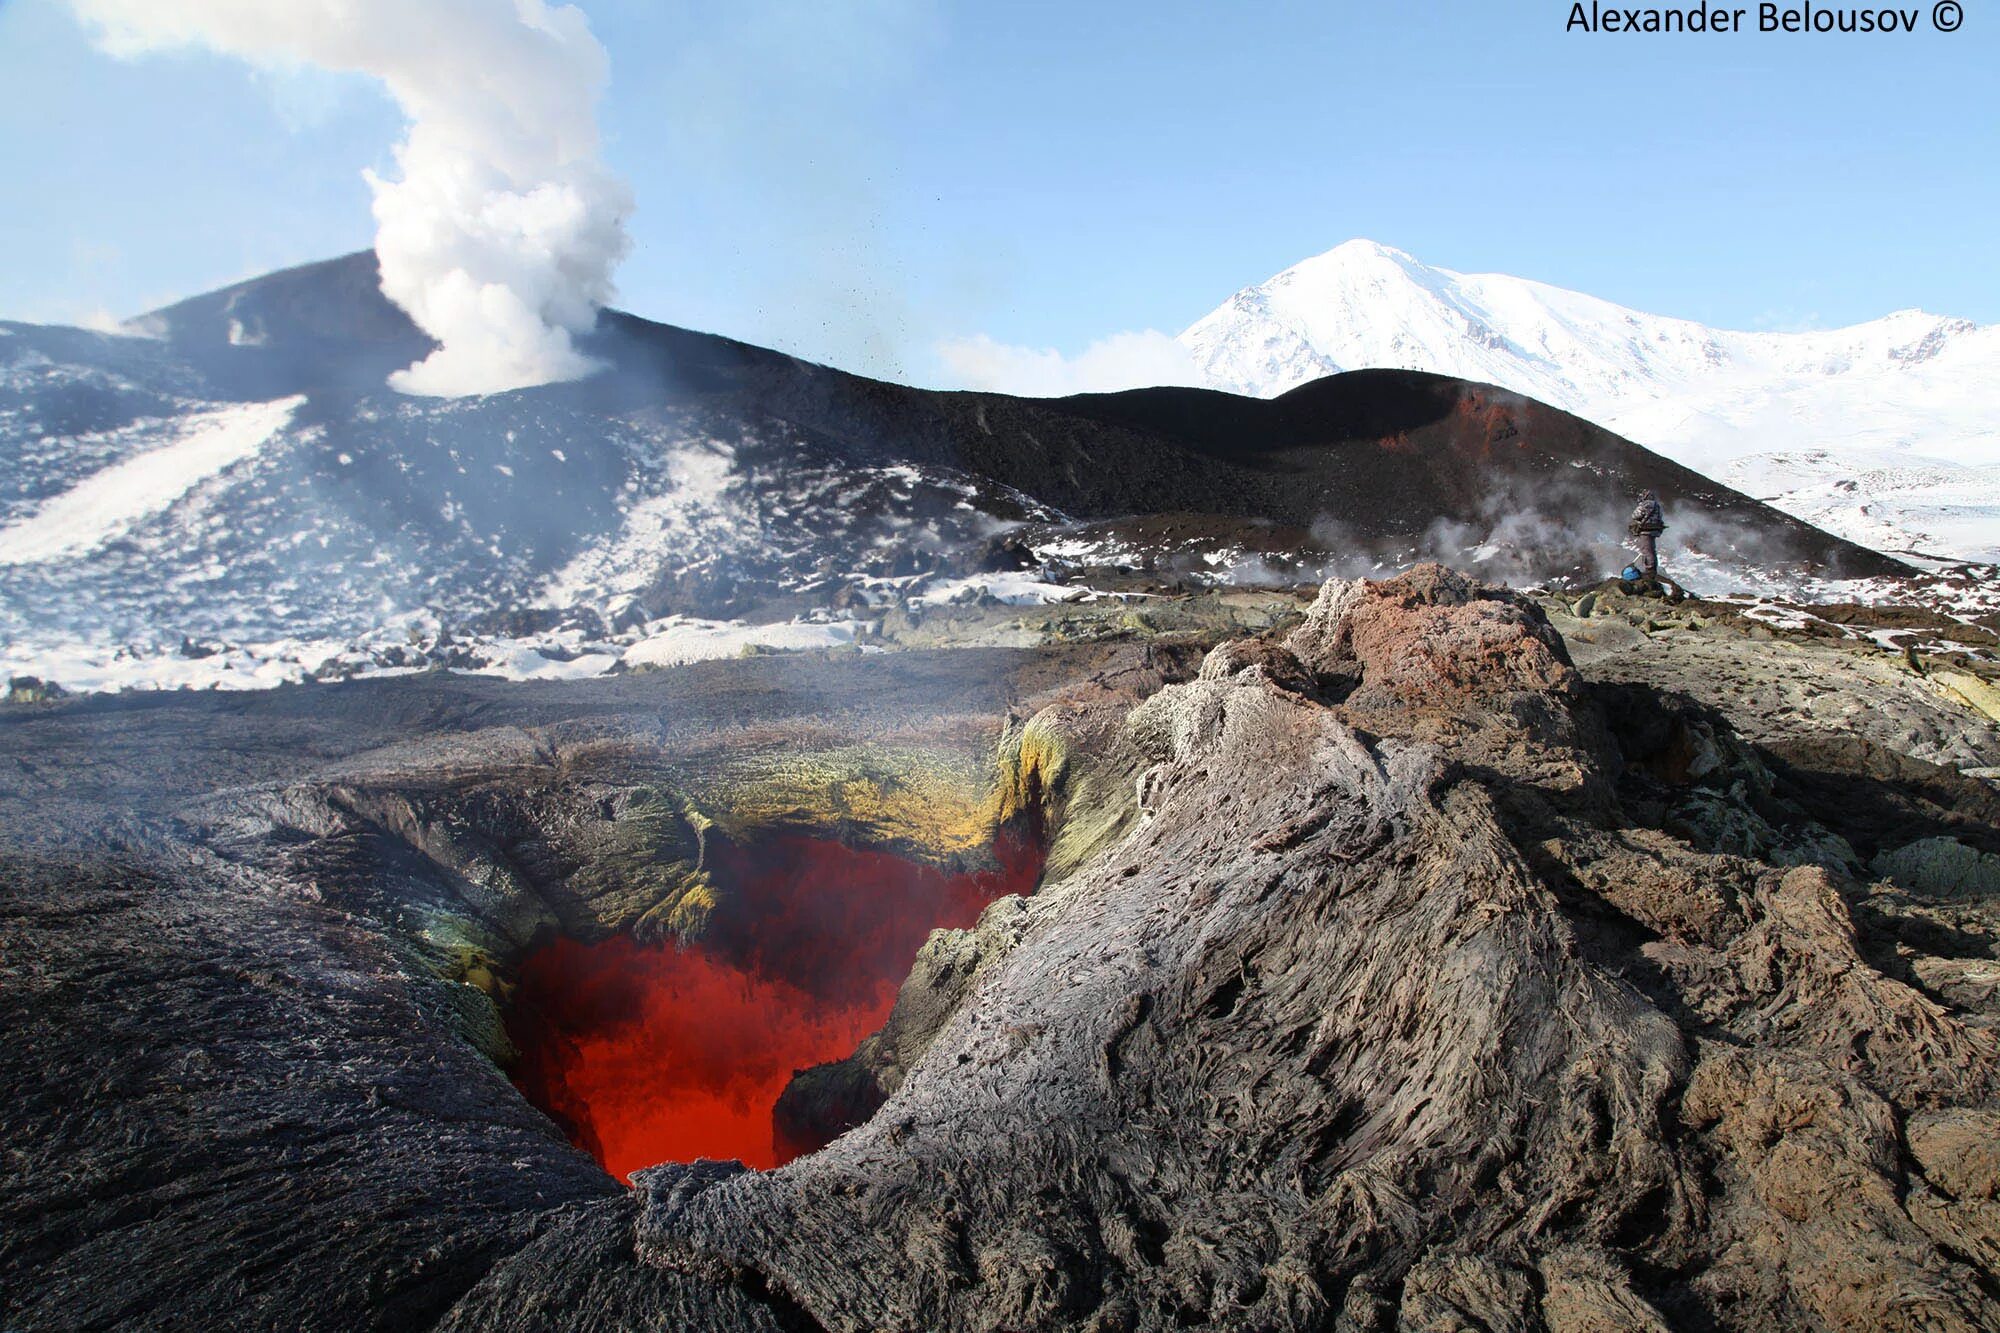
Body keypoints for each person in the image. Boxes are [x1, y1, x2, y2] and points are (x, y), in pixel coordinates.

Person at [1627, 489, 1666, 582]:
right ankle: (1652, 569)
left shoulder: (1645, 504)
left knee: (1646, 550)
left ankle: (1650, 571)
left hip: (1645, 531)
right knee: (1652, 550)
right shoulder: (1657, 506)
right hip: (1654, 531)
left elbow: (1635, 515)